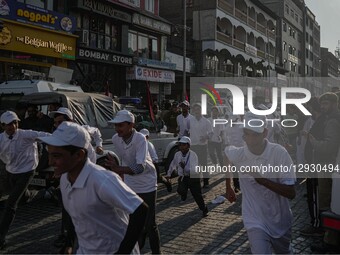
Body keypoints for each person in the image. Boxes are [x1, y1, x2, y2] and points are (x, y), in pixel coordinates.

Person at [37, 121, 148, 254]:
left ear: (79, 155)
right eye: (49, 154)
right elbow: (75, 214)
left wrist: (122, 252)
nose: (50, 162)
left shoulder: (101, 180)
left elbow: (140, 209)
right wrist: (69, 243)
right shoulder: (65, 180)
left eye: (57, 156)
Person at [224, 112, 296, 254]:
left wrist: (262, 180)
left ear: (265, 133)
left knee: (284, 252)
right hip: (254, 218)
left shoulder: (279, 153)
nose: (250, 139)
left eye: (255, 134)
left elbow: (291, 192)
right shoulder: (240, 153)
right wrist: (229, 186)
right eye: (247, 133)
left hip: (279, 220)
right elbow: (226, 155)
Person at [107, 110, 161, 254]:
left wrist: (118, 169)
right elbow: (125, 159)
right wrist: (120, 173)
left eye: (121, 125)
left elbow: (139, 167)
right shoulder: (116, 139)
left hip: (147, 183)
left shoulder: (140, 139)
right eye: (116, 126)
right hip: (131, 184)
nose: (117, 129)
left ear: (131, 125)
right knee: (131, 223)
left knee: (150, 224)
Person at [0, 111, 51, 249]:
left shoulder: (26, 134)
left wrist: (64, 138)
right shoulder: (1, 139)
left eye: (15, 123)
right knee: (24, 198)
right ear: (3, 126)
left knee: (10, 204)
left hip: (28, 170)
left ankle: (1, 238)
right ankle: (42, 193)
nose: (13, 126)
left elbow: (45, 136)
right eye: (9, 124)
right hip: (11, 171)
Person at [165, 136, 208, 217]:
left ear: (188, 145)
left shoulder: (193, 155)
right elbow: (173, 164)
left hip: (193, 177)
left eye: (184, 145)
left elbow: (194, 169)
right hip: (183, 177)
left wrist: (185, 168)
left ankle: (204, 209)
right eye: (180, 145)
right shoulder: (177, 154)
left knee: (197, 195)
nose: (181, 147)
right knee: (180, 191)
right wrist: (168, 174)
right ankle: (183, 194)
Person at [140, 128, 172, 192]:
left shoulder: (149, 145)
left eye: (145, 136)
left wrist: (154, 164)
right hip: (144, 164)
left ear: (148, 137)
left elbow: (154, 157)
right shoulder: (140, 144)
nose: (143, 138)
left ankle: (167, 183)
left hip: (153, 164)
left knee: (158, 178)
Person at [190, 103, 213, 188]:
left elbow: (211, 133)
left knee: (204, 164)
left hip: (202, 145)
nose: (197, 111)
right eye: (195, 109)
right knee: (194, 164)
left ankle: (206, 182)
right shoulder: (191, 120)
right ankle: (196, 182)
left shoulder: (206, 121)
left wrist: (206, 137)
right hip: (193, 145)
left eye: (199, 109)